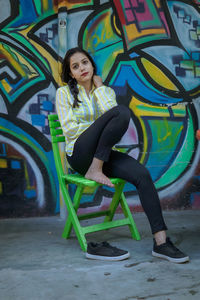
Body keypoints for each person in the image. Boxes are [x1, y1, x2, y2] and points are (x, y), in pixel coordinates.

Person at [56, 47, 189, 263]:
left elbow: (117, 124)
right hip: (80, 155)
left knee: (142, 175)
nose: (81, 68)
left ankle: (161, 243)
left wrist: (99, 88)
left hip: (102, 155)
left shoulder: (105, 91)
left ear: (92, 65)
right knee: (120, 112)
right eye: (75, 66)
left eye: (85, 63)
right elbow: (71, 130)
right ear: (71, 73)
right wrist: (98, 130)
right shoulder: (63, 93)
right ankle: (94, 168)